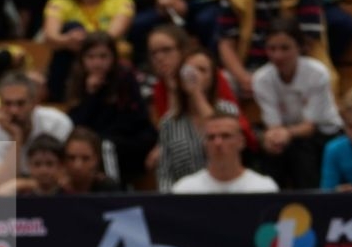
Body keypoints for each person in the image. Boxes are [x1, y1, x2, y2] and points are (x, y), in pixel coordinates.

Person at [251, 15, 342, 189]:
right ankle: (270, 199)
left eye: (285, 48)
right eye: (272, 48)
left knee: (302, 150)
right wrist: (272, 139)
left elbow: (309, 127)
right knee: (271, 149)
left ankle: (311, 200)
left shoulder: (317, 73)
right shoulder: (261, 79)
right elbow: (273, 126)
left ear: (299, 47)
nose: (278, 55)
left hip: (324, 134)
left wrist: (284, 134)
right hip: (288, 134)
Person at [65, 32, 157, 185]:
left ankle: (112, 189)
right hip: (96, 142)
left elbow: (137, 119)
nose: (97, 63)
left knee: (106, 146)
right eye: (91, 57)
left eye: (103, 57)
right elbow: (77, 125)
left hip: (129, 141)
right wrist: (91, 95)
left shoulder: (125, 78)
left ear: (113, 58)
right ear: (82, 59)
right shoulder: (77, 81)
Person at [0, 71, 77, 188]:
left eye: (20, 103)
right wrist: (16, 137)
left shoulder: (57, 123)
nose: (14, 111)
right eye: (7, 104)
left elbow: (69, 177)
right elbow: (1, 186)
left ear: (34, 103)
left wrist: (22, 184)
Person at [38, 0, 136, 100]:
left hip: (108, 63)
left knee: (100, 51)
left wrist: (84, 42)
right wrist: (68, 40)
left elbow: (111, 36)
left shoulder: (121, 1)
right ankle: (63, 94)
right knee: (72, 27)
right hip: (71, 61)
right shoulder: (58, 2)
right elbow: (50, 37)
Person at [156, 48, 229, 190]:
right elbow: (165, 173)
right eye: (189, 69)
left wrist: (196, 93)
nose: (194, 75)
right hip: (183, 195)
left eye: (202, 70)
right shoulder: (169, 122)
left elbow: (220, 133)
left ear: (212, 78)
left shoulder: (227, 110)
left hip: (222, 192)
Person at [171, 111, 279, 192]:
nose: (217, 143)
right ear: (204, 143)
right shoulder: (185, 189)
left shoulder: (263, 188)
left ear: (241, 141)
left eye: (226, 136)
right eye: (211, 137)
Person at [0, 134, 69, 195]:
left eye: (49, 164)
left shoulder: (70, 195)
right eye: (37, 164)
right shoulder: (22, 196)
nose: (43, 170)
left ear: (61, 165)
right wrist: (22, 184)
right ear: (29, 165)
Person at [62, 125, 123, 191]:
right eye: (71, 158)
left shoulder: (109, 190)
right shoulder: (57, 190)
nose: (77, 166)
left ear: (96, 159)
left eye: (85, 158)